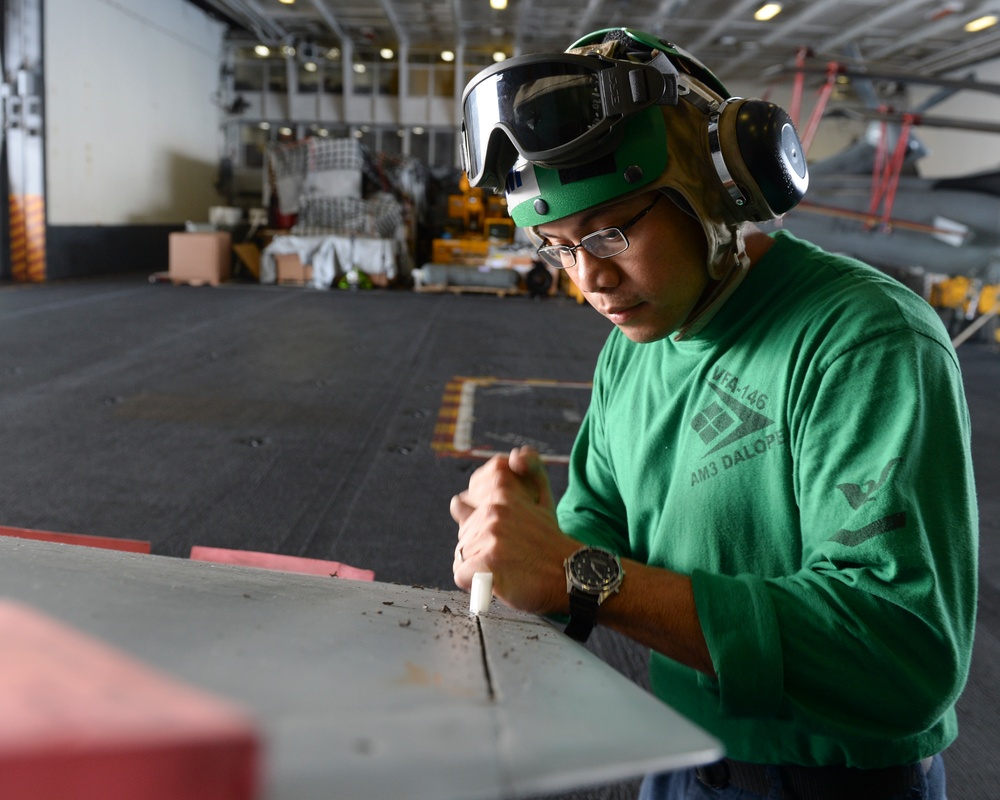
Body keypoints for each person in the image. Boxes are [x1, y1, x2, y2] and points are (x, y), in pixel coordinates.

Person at [449, 27, 978, 800]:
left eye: (612, 229)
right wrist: (541, 541)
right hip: (680, 755)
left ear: (720, 189)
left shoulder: (863, 340)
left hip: (837, 781)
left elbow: (897, 654)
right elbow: (602, 532)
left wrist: (574, 573)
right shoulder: (636, 345)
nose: (590, 279)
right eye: (559, 247)